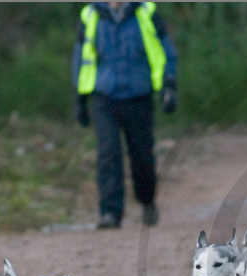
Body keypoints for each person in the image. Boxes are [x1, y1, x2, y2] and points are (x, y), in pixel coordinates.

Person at [72, 2, 178, 229]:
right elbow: (82, 56)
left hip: (139, 95)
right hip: (104, 96)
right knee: (108, 152)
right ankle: (110, 213)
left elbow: (166, 51)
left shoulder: (145, 12)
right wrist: (79, 97)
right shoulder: (91, 15)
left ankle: (147, 200)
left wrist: (168, 86)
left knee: (142, 155)